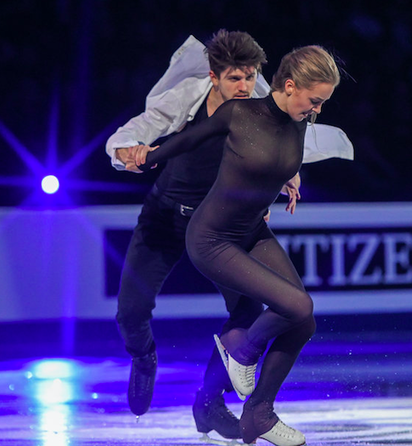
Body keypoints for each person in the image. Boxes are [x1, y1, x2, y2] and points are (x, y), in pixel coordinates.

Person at [136, 45, 341, 446]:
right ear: (288, 85)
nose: (317, 110)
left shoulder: (299, 120)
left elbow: (276, 154)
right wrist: (147, 155)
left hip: (251, 233)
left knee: (304, 321)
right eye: (315, 100)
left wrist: (290, 174)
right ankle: (241, 352)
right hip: (212, 238)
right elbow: (188, 140)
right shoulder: (240, 114)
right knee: (298, 305)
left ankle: (258, 414)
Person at [107, 30, 271, 442]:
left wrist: (286, 176)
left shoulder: (261, 109)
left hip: (221, 226)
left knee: (252, 313)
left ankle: (209, 400)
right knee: (130, 312)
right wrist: (127, 150)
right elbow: (135, 131)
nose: (244, 87)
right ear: (214, 77)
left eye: (250, 77)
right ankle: (144, 358)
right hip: (165, 217)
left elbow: (284, 145)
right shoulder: (187, 97)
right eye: (235, 78)